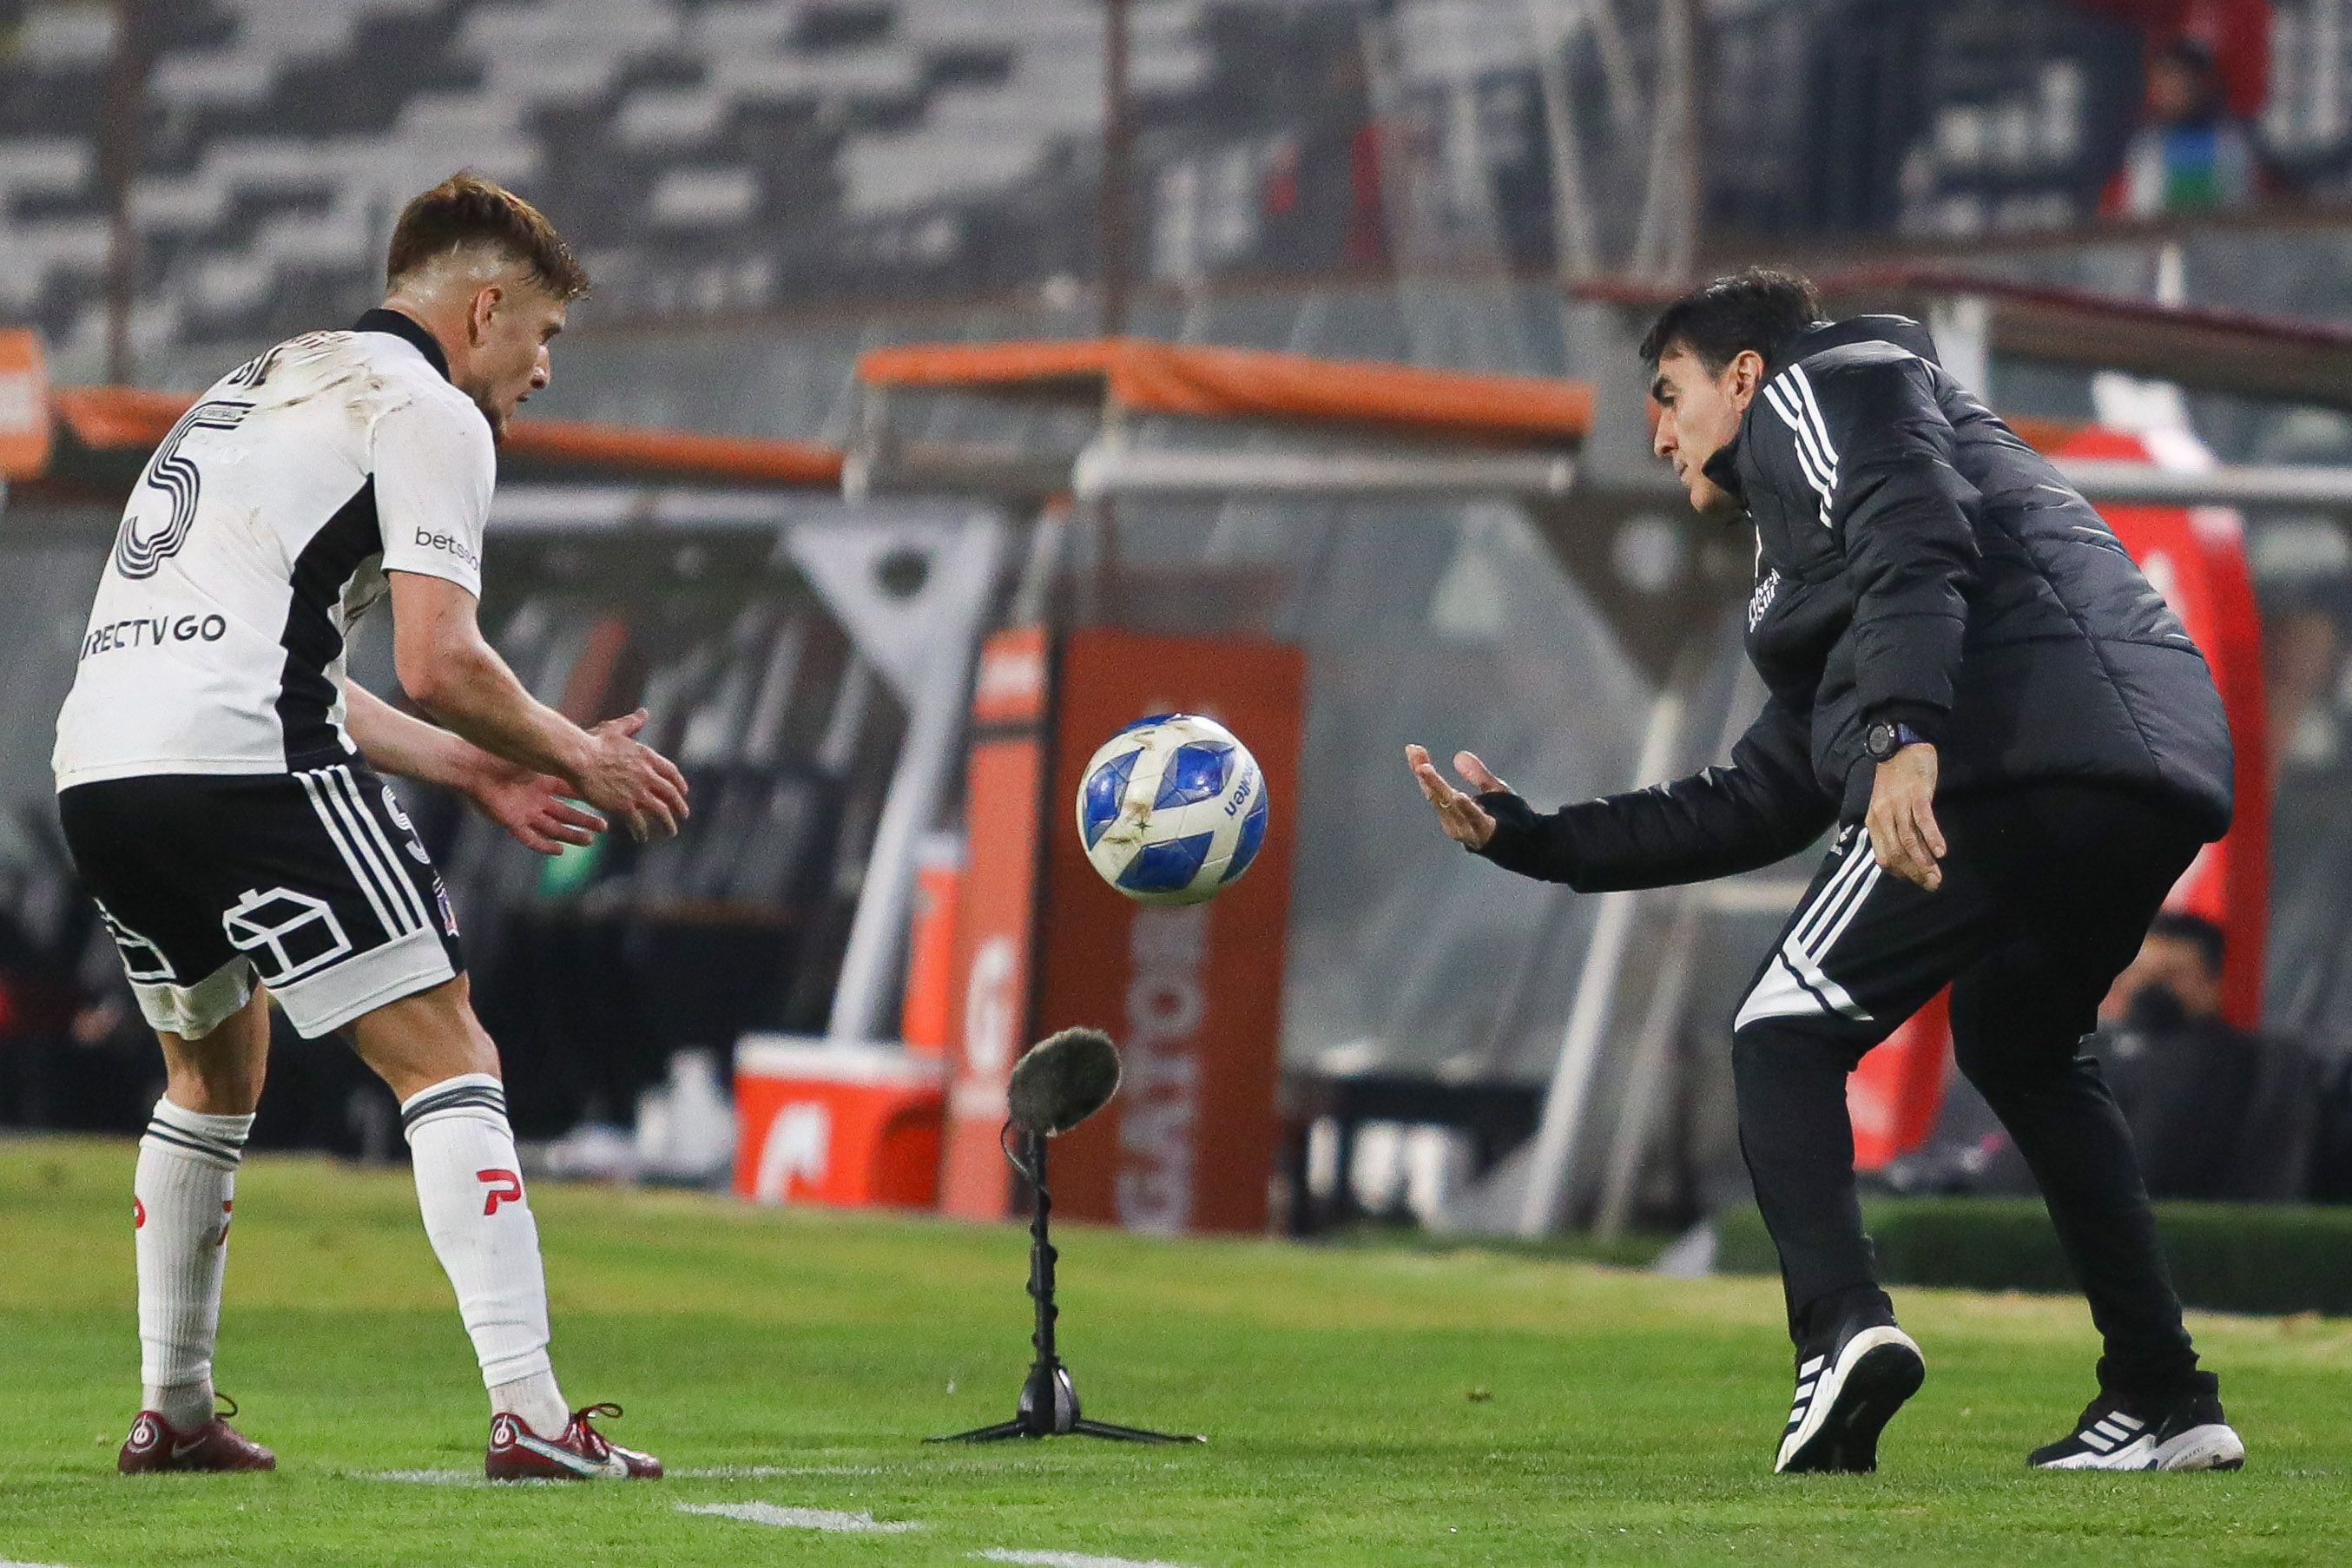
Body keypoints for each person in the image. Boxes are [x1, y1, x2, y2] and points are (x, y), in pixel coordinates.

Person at [1408, 268, 2244, 1474]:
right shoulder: (1808, 555)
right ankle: (2163, 1392)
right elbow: (1761, 794)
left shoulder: (1827, 384)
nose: (1656, 430)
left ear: (1741, 376)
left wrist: (1903, 735)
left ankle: (1840, 1333)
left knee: (1778, 1029)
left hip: (2011, 752)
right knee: (2021, 1044)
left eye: (1668, 392)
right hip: (2139, 767)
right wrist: (1531, 837)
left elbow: (1917, 528)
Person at [51, 172, 690, 1481]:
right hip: (242, 760)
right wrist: (574, 752)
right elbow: (439, 655)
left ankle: (173, 1409)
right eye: (546, 337)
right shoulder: (427, 408)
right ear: (486, 307)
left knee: (211, 1076)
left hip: (105, 764)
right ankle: (533, 1412)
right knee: (448, 1047)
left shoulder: (255, 387)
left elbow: (277, 644)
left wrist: (473, 770)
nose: (543, 371)